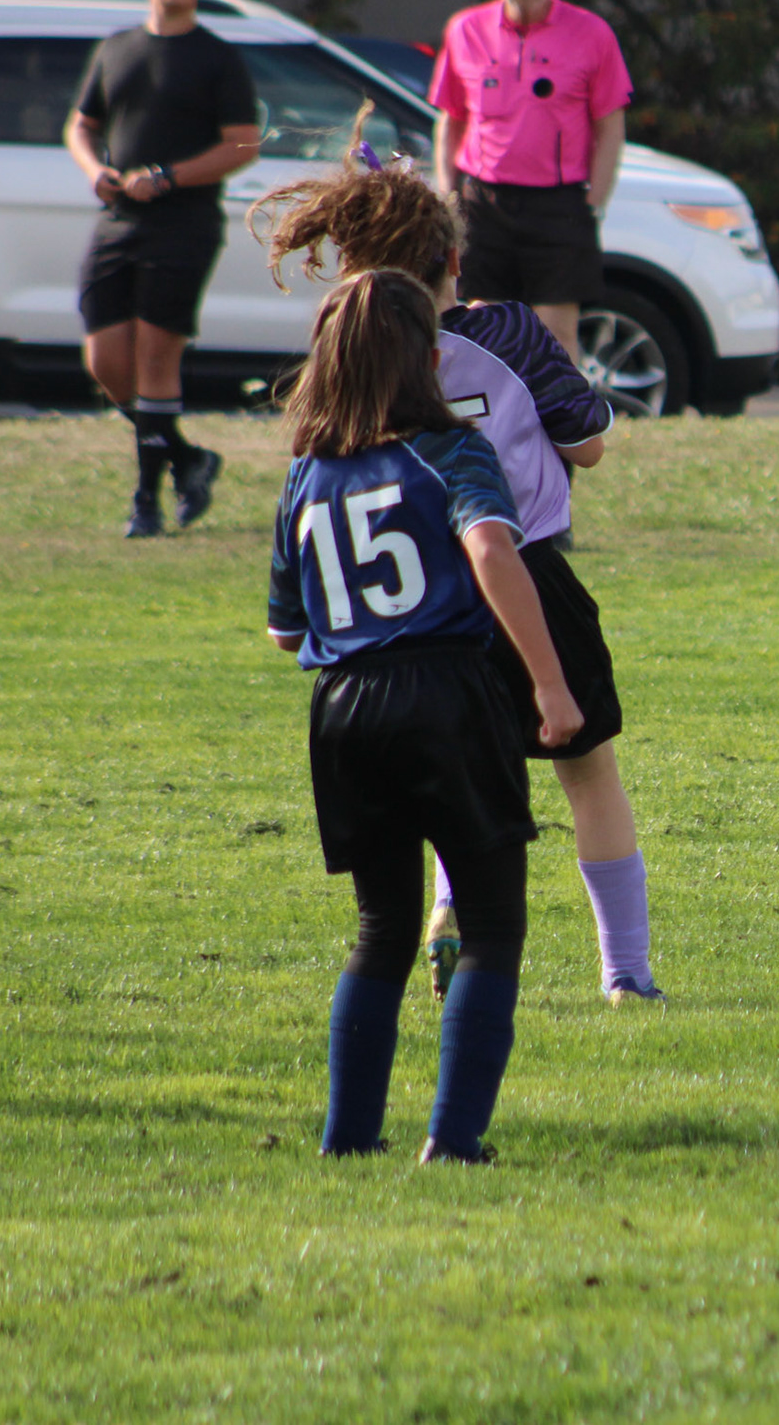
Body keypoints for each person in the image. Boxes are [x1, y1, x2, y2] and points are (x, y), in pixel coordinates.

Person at [254, 118, 666, 1009]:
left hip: (415, 608)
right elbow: (589, 445)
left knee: (462, 777)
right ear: (452, 260)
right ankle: (626, 973)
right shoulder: (507, 330)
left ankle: (447, 910)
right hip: (526, 574)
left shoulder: (346, 356)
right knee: (588, 771)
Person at [268, 269, 582, 1164]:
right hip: (446, 693)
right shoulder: (452, 450)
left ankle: (347, 1138)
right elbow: (491, 550)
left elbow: (285, 630)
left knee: (382, 930)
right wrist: (549, 685)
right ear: (431, 360)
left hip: (342, 709)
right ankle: (453, 1138)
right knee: (491, 923)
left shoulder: (305, 475)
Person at [64, 0, 261, 537]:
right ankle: (186, 456)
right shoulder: (116, 47)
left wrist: (170, 177)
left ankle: (146, 502)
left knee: (155, 354)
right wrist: (95, 171)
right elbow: (81, 124)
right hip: (118, 221)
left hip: (184, 224)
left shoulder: (217, 57)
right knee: (105, 361)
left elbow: (243, 144)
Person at [429, 0, 631, 366]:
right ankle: (490, 412)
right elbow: (451, 120)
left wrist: (594, 203)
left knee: (557, 334)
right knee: (482, 327)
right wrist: (449, 197)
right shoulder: (466, 30)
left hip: (557, 204)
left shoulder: (591, 33)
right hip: (485, 200)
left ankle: (562, 412)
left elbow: (610, 126)